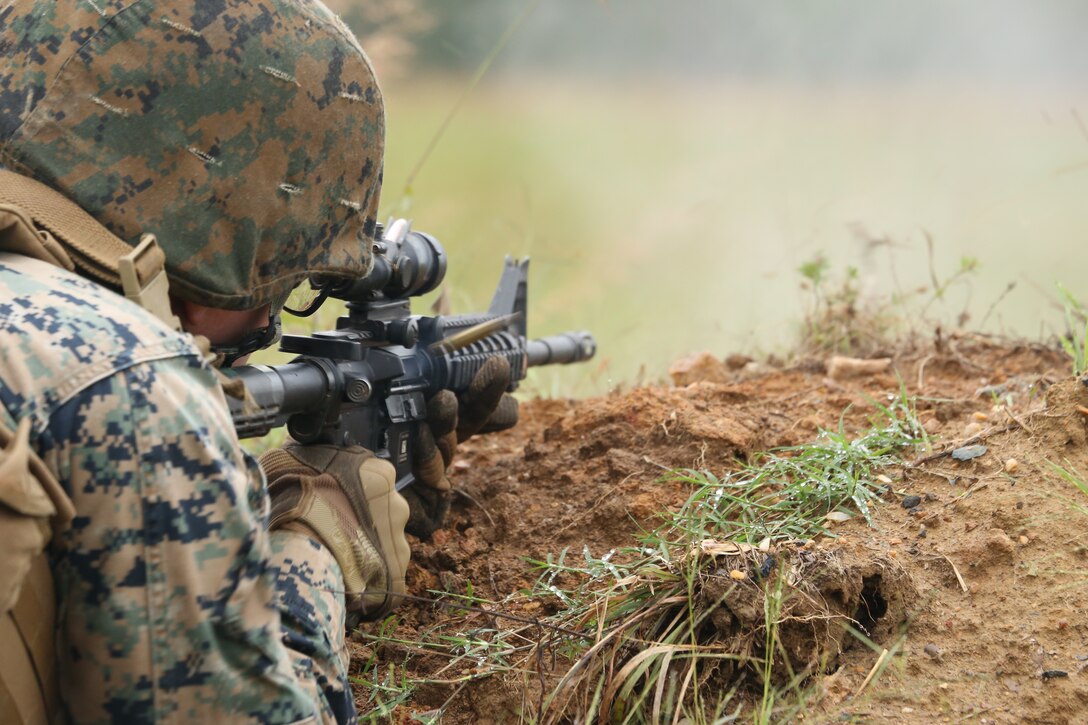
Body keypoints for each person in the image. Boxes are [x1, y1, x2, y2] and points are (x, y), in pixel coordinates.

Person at [0, 0, 508, 721]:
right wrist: (321, 543)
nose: (268, 322)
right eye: (280, 281)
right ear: (209, 221)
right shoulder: (129, 381)